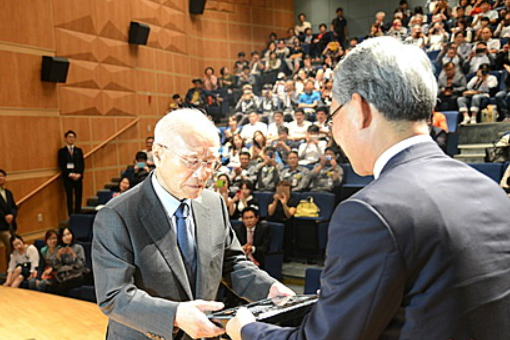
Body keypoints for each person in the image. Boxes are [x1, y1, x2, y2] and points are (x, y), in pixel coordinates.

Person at [226, 36, 510, 340]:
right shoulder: (489, 189)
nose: (334, 133)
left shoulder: (370, 213)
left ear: (360, 108)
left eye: (334, 115)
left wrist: (246, 329)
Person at [92, 109, 293, 340]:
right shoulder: (118, 215)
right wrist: (175, 315)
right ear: (158, 154)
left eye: (210, 162)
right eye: (192, 161)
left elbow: (231, 262)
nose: (203, 174)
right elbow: (114, 296)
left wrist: (269, 289)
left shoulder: (213, 203)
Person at [58, 130, 85, 216]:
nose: (71, 139)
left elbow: (82, 164)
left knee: (78, 196)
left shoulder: (78, 151)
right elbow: (61, 165)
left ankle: (78, 214)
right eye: (69, 137)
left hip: (78, 177)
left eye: (73, 137)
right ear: (66, 139)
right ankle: (71, 215)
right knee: (69, 197)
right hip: (68, 178)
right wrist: (70, 174)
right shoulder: (62, 151)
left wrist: (79, 174)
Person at [54, 227, 87, 295]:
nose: (67, 237)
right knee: (52, 285)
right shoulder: (59, 249)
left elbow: (81, 265)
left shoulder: (78, 247)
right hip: (64, 275)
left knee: (61, 287)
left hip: (77, 275)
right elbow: (56, 267)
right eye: (64, 235)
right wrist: (58, 256)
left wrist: (73, 255)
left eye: (68, 234)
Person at [0, 169, 17, 263]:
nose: (1, 178)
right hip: (1, 226)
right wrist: (4, 217)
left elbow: (14, 206)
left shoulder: (8, 192)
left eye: (2, 176)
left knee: (14, 245)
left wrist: (12, 215)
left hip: (11, 224)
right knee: (10, 244)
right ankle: (10, 270)